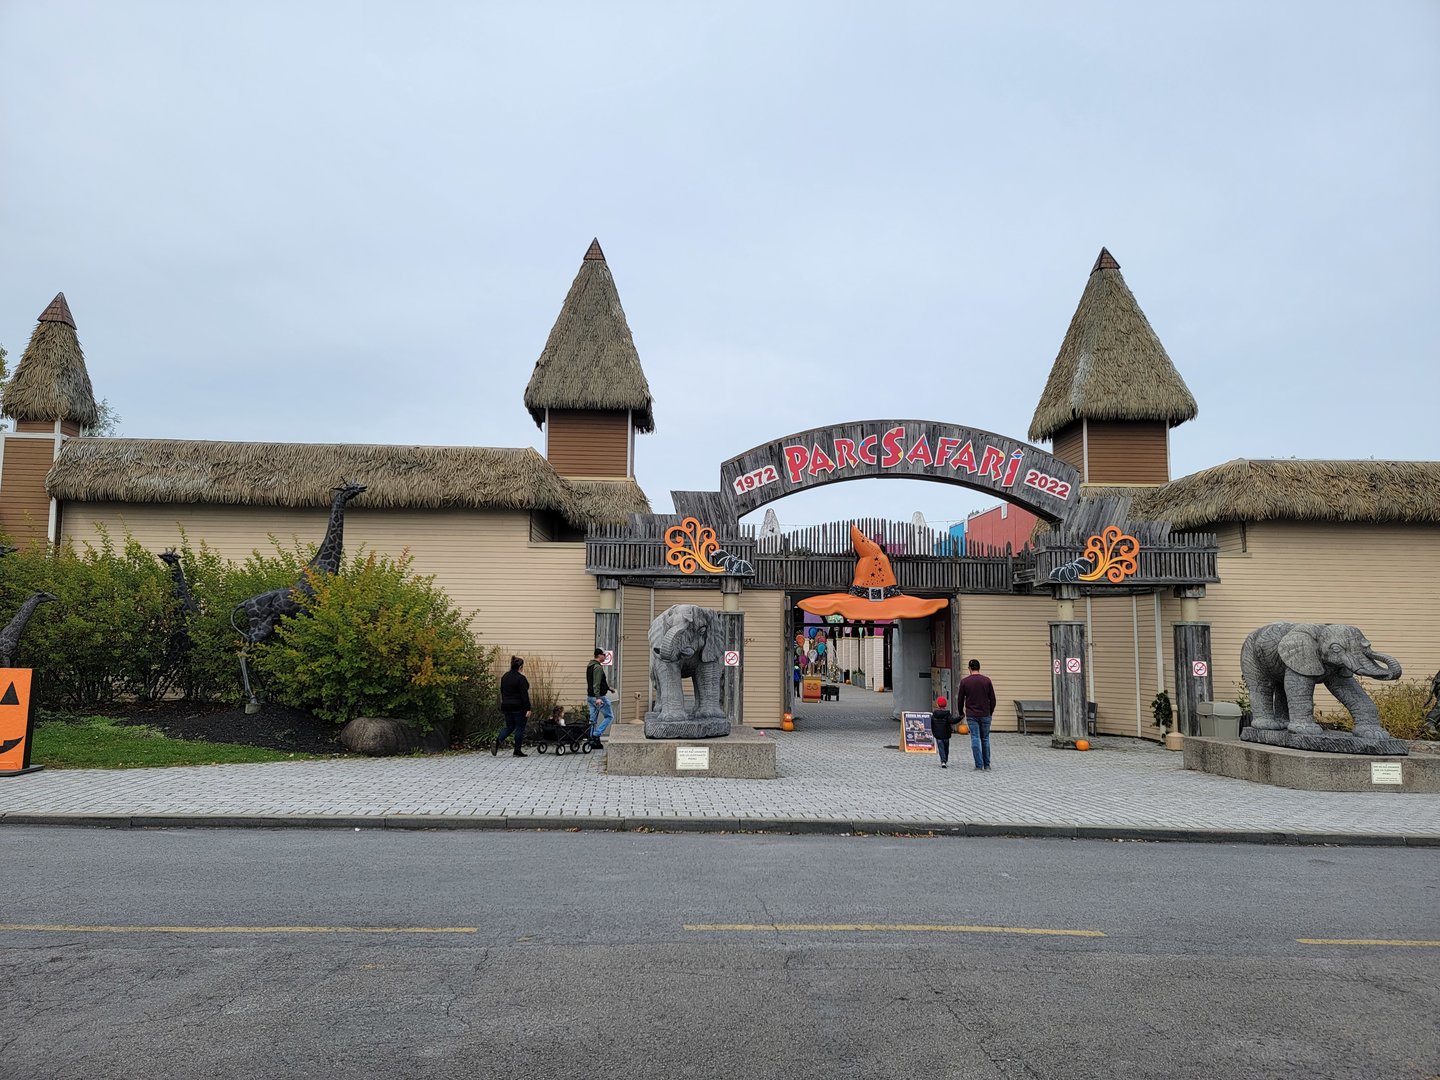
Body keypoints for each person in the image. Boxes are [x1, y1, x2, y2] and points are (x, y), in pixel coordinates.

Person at [959, 658, 996, 770]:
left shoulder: (965, 682)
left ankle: (978, 765)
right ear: (979, 667)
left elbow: (960, 700)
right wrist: (990, 711)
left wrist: (961, 712)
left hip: (972, 715)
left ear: (970, 669)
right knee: (985, 738)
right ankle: (987, 764)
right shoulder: (987, 681)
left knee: (975, 738)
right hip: (985, 714)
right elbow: (993, 699)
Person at [493, 655, 531, 757]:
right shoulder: (521, 678)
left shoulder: (505, 676)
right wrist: (528, 708)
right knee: (520, 727)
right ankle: (517, 750)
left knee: (509, 726)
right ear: (520, 667)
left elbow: (502, 691)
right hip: (518, 707)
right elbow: (524, 694)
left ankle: (497, 741)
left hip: (506, 705)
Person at [586, 647, 614, 750]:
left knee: (593, 720)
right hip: (598, 697)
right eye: (604, 655)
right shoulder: (597, 668)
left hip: (590, 697)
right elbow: (596, 684)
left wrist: (608, 688)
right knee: (609, 716)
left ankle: (591, 741)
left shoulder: (590, 665)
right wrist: (598, 697)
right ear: (599, 655)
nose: (605, 656)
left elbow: (596, 682)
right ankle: (596, 735)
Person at [931, 695, 954, 768]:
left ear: (937, 705)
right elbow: (952, 721)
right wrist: (960, 718)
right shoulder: (947, 714)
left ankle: (943, 761)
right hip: (946, 734)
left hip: (938, 735)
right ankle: (945, 759)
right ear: (946, 705)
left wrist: (933, 732)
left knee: (941, 747)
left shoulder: (934, 714)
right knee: (946, 747)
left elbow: (932, 724)